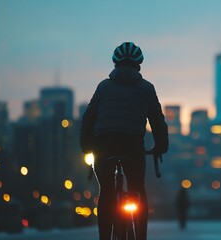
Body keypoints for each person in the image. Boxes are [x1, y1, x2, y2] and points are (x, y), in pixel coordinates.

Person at [80, 42, 169, 240]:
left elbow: (88, 118)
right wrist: (161, 146)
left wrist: (87, 147)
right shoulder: (146, 88)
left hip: (104, 146)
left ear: (115, 64)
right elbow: (157, 121)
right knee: (137, 188)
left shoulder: (103, 87)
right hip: (133, 147)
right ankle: (141, 236)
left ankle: (104, 237)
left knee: (106, 191)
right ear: (138, 65)